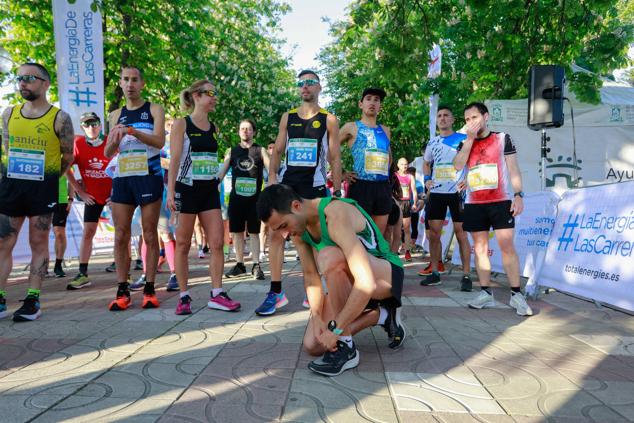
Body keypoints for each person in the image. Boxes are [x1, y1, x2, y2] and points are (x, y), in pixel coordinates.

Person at [257, 184, 405, 376]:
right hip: (356, 284)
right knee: (313, 344)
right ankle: (382, 315)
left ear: (296, 206)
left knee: (329, 257)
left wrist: (335, 331)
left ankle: (347, 349)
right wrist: (318, 317)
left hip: (385, 277)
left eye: (284, 226)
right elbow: (311, 277)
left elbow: (365, 282)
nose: (285, 235)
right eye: (279, 230)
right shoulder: (299, 229)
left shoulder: (335, 214)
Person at [263, 69, 342, 316]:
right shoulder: (288, 117)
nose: (305, 87)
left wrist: (337, 191)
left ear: (319, 87)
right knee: (276, 234)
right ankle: (276, 292)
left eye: (310, 82)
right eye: (301, 84)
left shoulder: (329, 119)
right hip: (289, 184)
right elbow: (277, 150)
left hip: (315, 187)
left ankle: (318, 289)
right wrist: (273, 179)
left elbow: (335, 157)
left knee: (318, 238)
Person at [0, 63, 74, 321]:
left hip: (42, 188)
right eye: (19, 79)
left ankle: (32, 299)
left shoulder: (60, 118)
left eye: (30, 78)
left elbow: (68, 156)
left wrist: (49, 175)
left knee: (38, 242)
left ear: (45, 84)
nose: (23, 83)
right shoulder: (9, 114)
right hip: (11, 187)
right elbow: (8, 150)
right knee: (3, 242)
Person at [167, 79, 240, 315]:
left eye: (215, 93)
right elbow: (176, 160)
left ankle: (217, 293)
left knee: (218, 242)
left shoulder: (214, 127)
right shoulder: (181, 124)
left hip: (209, 190)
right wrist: (171, 191)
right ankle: (184, 295)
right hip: (186, 189)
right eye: (210, 93)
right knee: (183, 243)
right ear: (196, 96)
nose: (214, 97)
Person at [453, 102, 533, 316]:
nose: (471, 122)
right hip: (474, 203)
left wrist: (518, 195)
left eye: (475, 117)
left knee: (507, 246)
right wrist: (469, 140)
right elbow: (458, 166)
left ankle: (517, 294)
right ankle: (486, 293)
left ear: (486, 116)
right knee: (479, 249)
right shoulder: (464, 143)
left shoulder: (502, 138)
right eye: (467, 119)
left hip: (500, 201)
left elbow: (513, 168)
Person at [105, 65, 165, 311]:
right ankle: (122, 289)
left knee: (149, 233)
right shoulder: (114, 114)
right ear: (120, 83)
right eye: (125, 80)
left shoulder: (154, 109)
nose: (130, 84)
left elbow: (160, 142)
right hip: (123, 177)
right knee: (120, 234)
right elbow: (108, 152)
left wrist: (134, 132)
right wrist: (116, 139)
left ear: (142, 84)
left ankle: (149, 288)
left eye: (134, 80)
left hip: (148, 175)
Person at [419, 106, 472, 290]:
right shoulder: (432, 142)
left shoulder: (463, 139)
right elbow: (426, 163)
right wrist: (426, 180)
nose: (442, 118)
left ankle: (466, 276)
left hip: (458, 193)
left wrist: (468, 178)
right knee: (434, 234)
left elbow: (473, 162)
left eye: (446, 116)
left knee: (461, 234)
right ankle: (435, 272)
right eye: (439, 116)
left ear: (452, 119)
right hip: (437, 193)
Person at [66, 112, 113, 289]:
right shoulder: (78, 144)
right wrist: (79, 192)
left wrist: (117, 192)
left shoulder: (111, 142)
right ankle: (83, 273)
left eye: (94, 124)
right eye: (87, 125)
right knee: (88, 232)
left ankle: (127, 273)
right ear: (82, 128)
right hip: (92, 197)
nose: (91, 128)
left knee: (123, 233)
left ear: (100, 125)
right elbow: (66, 168)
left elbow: (123, 167)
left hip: (114, 197)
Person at [219, 118, 269, 280]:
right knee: (236, 232)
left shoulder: (260, 150)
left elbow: (271, 171)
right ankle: (240, 264)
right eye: (242, 129)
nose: (245, 131)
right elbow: (221, 173)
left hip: (255, 200)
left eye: (248, 129)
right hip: (236, 199)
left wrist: (273, 189)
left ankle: (256, 265)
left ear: (254, 132)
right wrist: (210, 185)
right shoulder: (232, 151)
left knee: (254, 232)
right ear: (238, 132)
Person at [339, 88, 392, 234]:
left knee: (378, 236)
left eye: (377, 100)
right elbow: (330, 150)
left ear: (380, 106)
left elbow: (389, 157)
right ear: (360, 104)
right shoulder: (351, 127)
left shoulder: (386, 130)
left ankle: (377, 257)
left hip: (382, 187)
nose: (372, 103)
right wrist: (342, 173)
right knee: (360, 235)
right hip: (361, 185)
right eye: (368, 99)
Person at [394, 157, 418, 261]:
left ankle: (407, 252)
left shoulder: (410, 177)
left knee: (407, 229)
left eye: (406, 164)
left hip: (406, 203)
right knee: (396, 229)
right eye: (403, 164)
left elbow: (414, 190)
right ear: (398, 165)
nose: (405, 166)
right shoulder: (394, 176)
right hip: (396, 202)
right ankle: (394, 251)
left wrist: (415, 203)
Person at [51, 174, 74, 277]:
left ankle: (58, 265)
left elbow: (71, 182)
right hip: (42, 201)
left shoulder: (64, 160)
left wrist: (71, 199)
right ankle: (42, 265)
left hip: (61, 201)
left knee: (59, 234)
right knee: (41, 235)